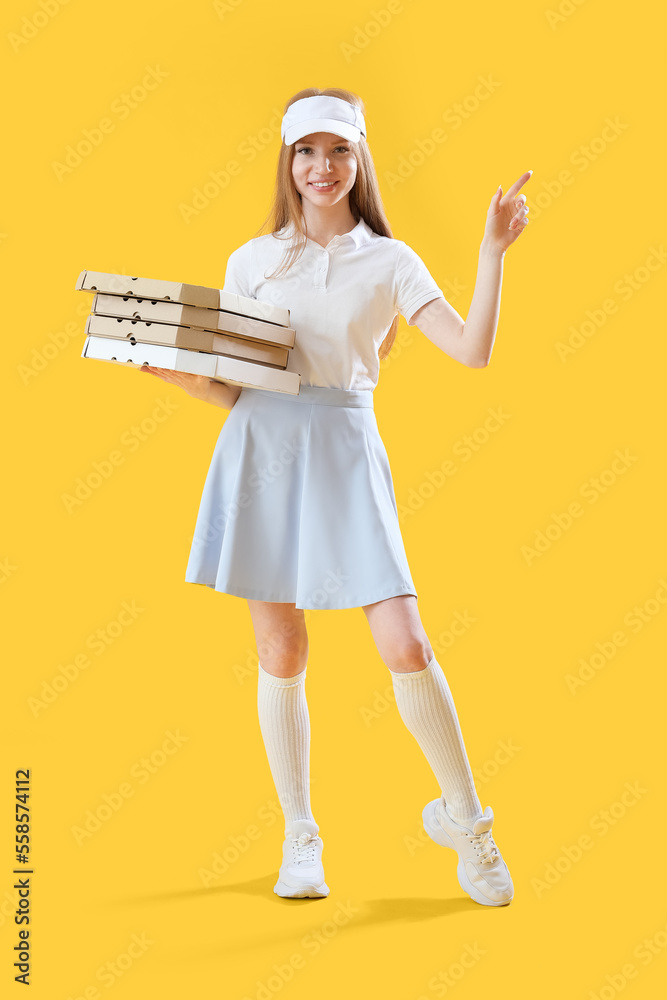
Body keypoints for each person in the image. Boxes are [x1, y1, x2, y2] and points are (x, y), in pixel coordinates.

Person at [140, 87, 530, 906]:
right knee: (281, 653)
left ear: (359, 161)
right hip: (261, 452)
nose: (323, 167)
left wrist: (491, 251)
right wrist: (179, 375)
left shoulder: (390, 261)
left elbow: (471, 351)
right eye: (306, 152)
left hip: (346, 453)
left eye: (338, 151)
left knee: (408, 645)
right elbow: (234, 390)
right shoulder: (252, 260)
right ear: (287, 161)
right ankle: (299, 835)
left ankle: (469, 826)